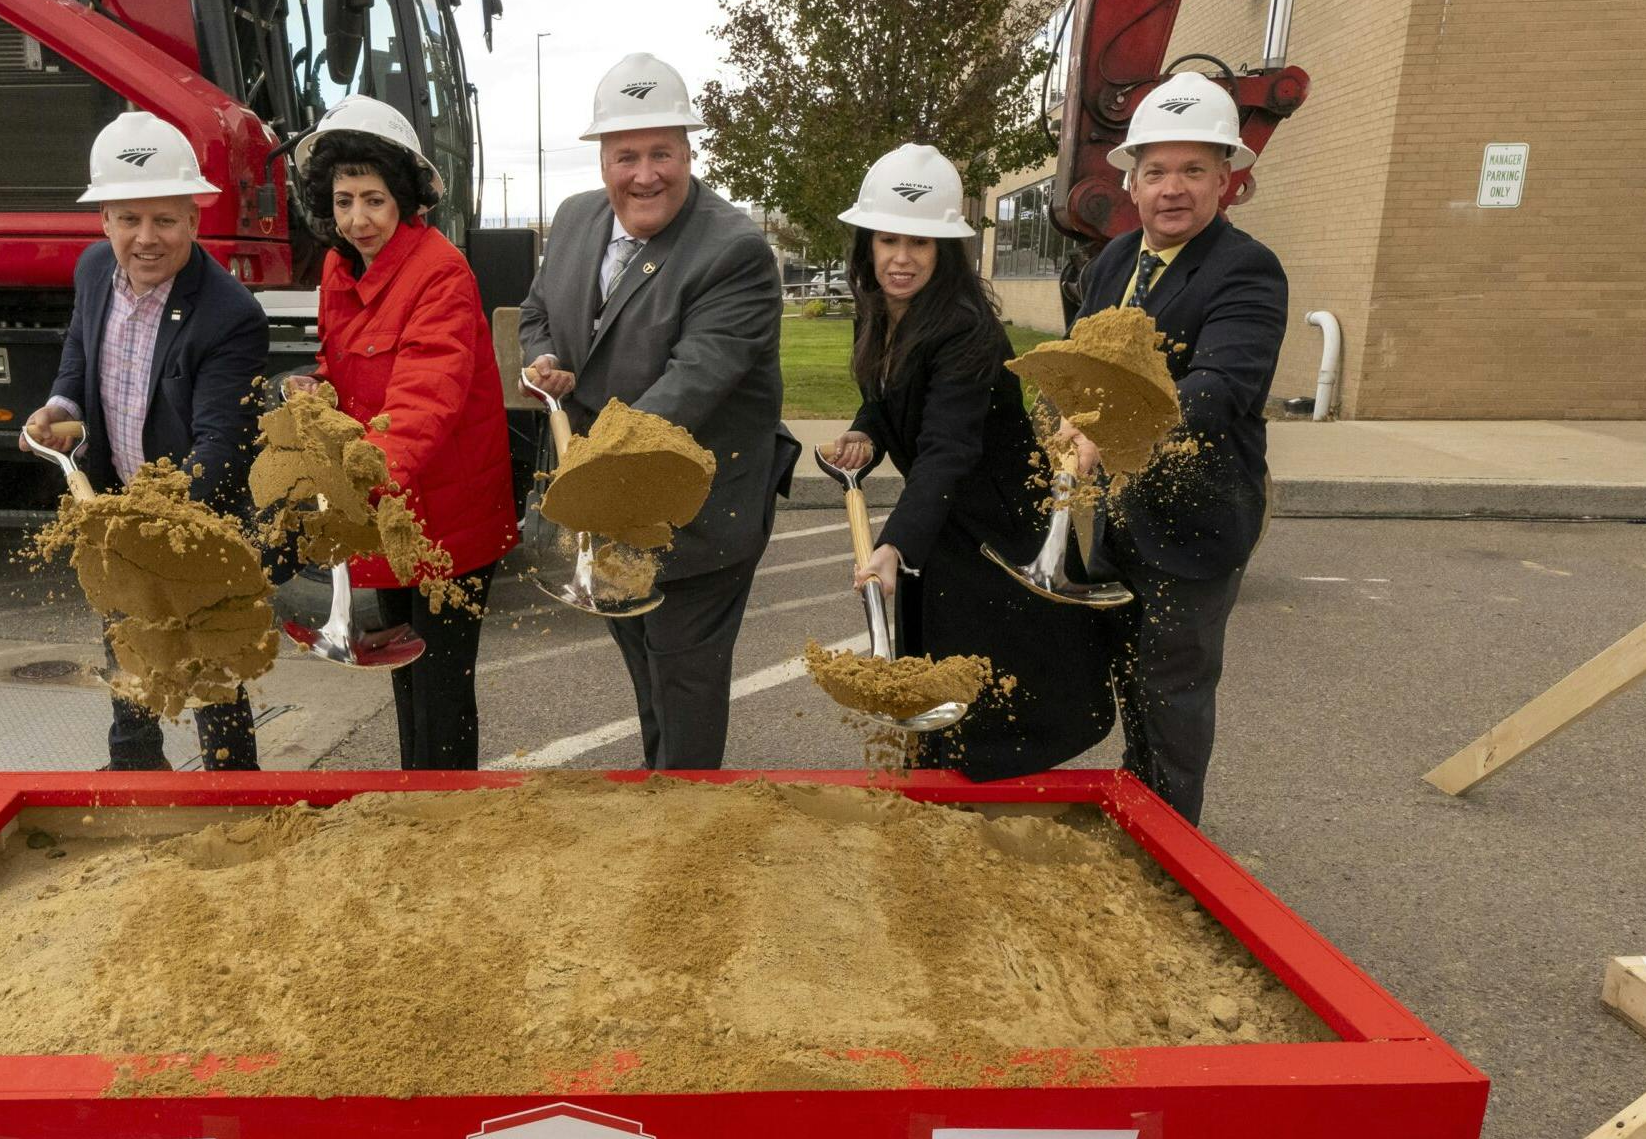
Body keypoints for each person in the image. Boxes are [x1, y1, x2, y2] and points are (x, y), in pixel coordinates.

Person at [517, 53, 800, 771]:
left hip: (698, 514)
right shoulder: (578, 218)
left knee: (685, 680)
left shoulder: (733, 251)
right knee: (644, 665)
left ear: (689, 151)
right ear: (603, 158)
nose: (645, 174)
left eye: (662, 153)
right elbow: (540, 310)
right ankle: (661, 789)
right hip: (607, 508)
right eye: (626, 155)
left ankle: (691, 831)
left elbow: (687, 390)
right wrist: (546, 360)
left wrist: (587, 468)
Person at [822, 144, 1114, 779]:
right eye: (889, 240)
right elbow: (888, 395)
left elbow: (948, 447)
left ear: (945, 251)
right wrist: (865, 429)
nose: (902, 259)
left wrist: (895, 545)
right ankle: (938, 788)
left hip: (996, 529)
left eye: (921, 244)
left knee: (993, 691)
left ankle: (986, 811)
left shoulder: (965, 330)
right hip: (943, 520)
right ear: (867, 244)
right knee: (938, 679)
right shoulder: (878, 311)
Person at [1066, 72, 1288, 823]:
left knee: (1173, 693)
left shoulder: (1246, 271)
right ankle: (1138, 805)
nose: (1173, 188)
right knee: (1127, 679)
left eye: (1194, 170)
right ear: (1130, 181)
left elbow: (1220, 388)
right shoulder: (1113, 262)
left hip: (1194, 526)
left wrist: (1113, 426)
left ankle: (1170, 846)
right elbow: (1086, 361)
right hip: (1118, 516)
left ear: (1227, 180)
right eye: (1156, 170)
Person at [22, 109, 271, 772]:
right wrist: (58, 407)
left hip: (196, 527)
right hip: (116, 512)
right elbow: (79, 354)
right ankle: (136, 772)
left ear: (194, 218)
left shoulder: (230, 315)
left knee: (212, 674)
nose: (146, 238)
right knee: (127, 652)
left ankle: (232, 790)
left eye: (164, 219)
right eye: (128, 220)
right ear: (104, 219)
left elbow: (221, 446)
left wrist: (149, 524)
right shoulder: (93, 271)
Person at [285, 95, 518, 768]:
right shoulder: (339, 268)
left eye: (374, 201)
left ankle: (446, 812)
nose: (357, 220)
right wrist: (317, 393)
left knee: (442, 680)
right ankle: (420, 797)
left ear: (407, 201)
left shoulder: (440, 271)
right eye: (343, 201)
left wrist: (364, 477)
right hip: (386, 505)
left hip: (450, 518)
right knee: (401, 667)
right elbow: (343, 367)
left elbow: (426, 397)